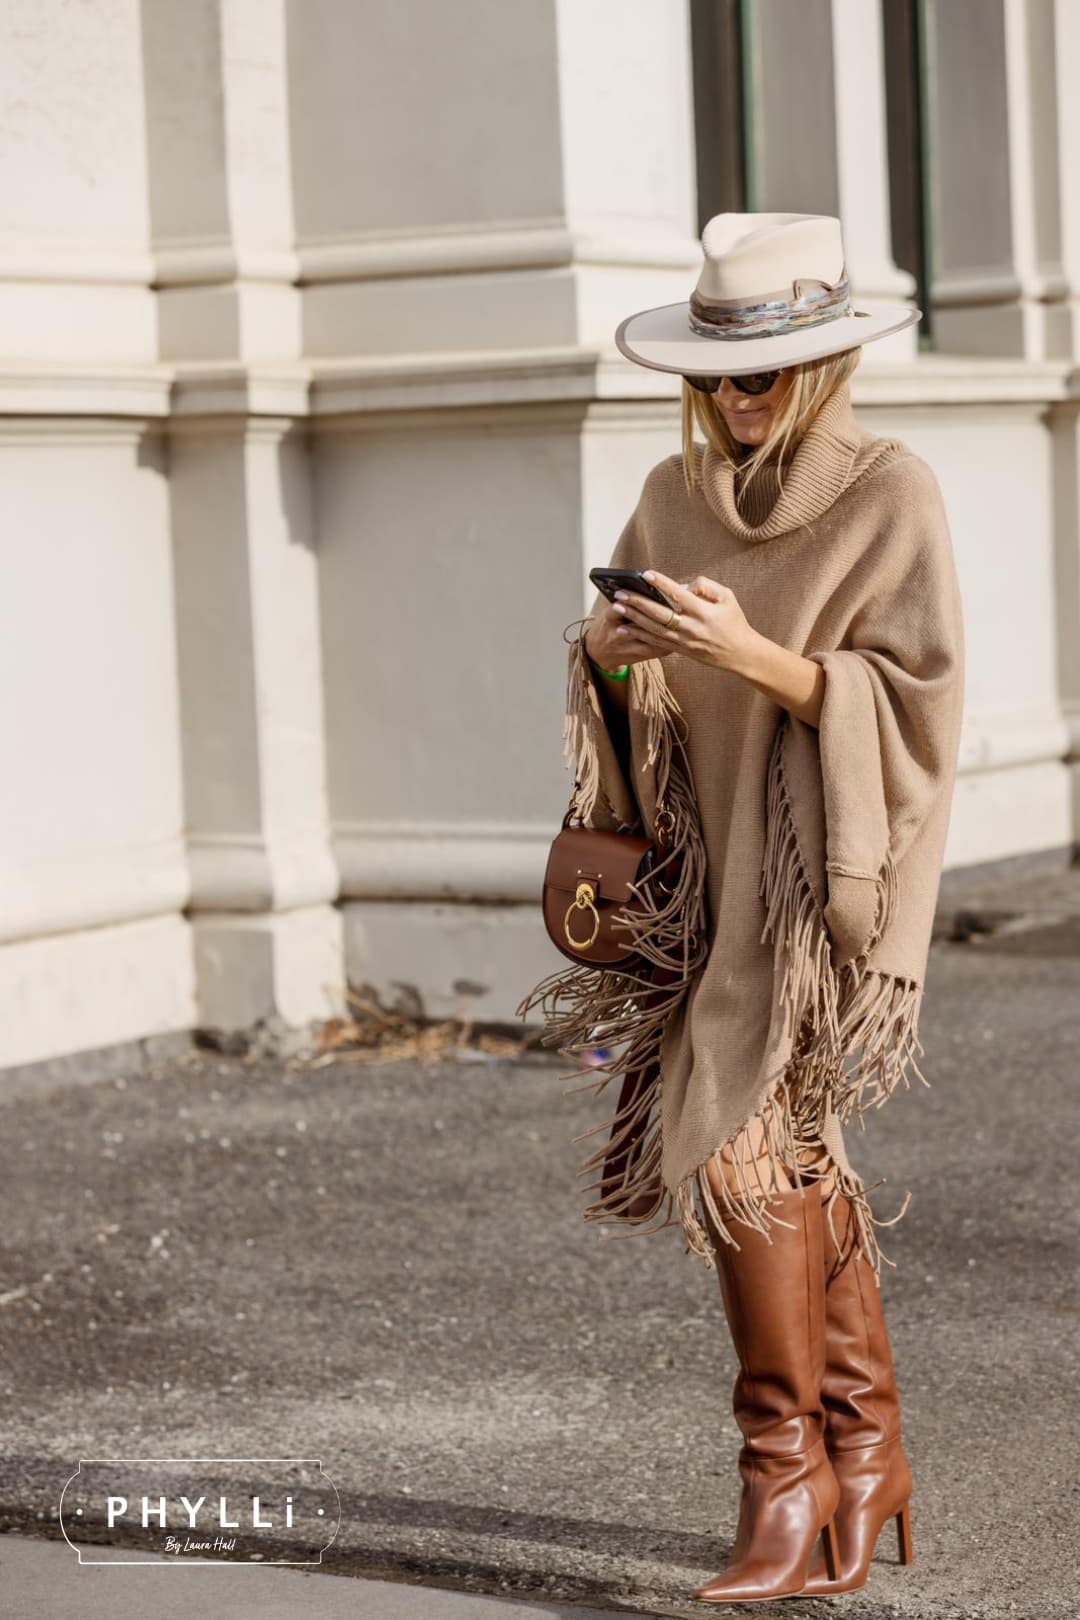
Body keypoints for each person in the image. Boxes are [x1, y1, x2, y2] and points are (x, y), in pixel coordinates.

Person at [517, 213, 966, 1604]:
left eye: (760, 374)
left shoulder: (892, 492)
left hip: (823, 894)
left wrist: (755, 655)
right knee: (794, 1156)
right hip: (701, 887)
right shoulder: (670, 495)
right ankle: (867, 1454)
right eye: (713, 377)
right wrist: (610, 661)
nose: (734, 401)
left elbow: (919, 708)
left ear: (823, 364)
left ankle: (785, 1474)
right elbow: (634, 712)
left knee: (733, 1150)